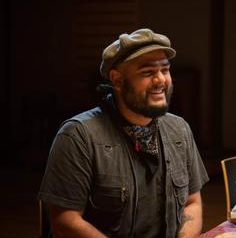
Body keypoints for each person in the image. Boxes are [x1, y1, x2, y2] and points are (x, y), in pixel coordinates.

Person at [38, 28, 209, 238]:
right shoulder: (78, 136)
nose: (160, 80)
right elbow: (65, 222)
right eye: (147, 72)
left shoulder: (179, 130)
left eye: (165, 70)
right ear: (117, 80)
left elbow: (192, 203)